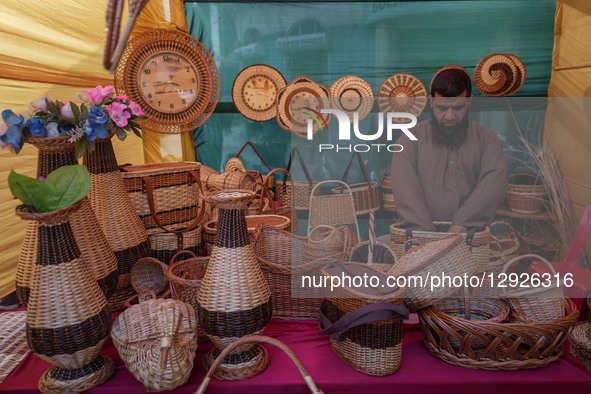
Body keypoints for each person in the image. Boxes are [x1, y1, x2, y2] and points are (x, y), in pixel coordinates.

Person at [390, 65, 507, 233]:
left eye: (458, 108)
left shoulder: (487, 139)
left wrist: (462, 224)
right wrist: (424, 232)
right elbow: (405, 189)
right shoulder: (409, 139)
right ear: (431, 101)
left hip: (470, 238)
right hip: (419, 240)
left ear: (469, 101)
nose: (450, 116)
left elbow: (493, 184)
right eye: (442, 108)